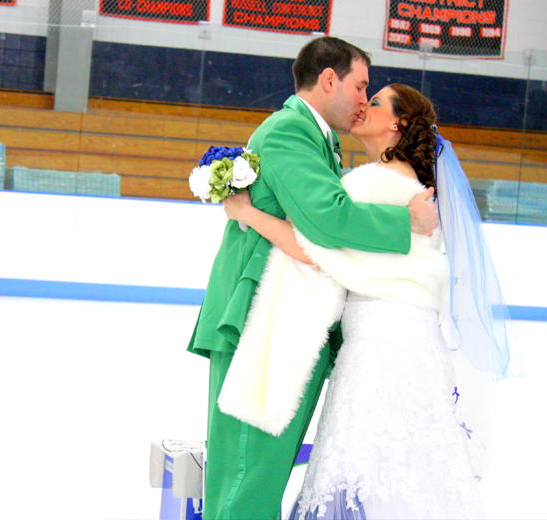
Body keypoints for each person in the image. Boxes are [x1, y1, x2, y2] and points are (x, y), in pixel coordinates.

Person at [222, 84, 518, 519]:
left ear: (397, 123)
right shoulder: (418, 187)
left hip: (380, 345)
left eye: (375, 101)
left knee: (363, 462)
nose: (363, 105)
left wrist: (247, 213)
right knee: (410, 462)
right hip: (414, 342)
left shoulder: (370, 184)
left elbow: (312, 249)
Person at [186, 38, 440, 520]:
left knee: (259, 476)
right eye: (361, 85)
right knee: (246, 478)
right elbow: (327, 220)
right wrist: (402, 221)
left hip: (288, 325)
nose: (363, 98)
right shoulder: (290, 132)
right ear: (329, 80)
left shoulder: (322, 141)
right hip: (257, 324)